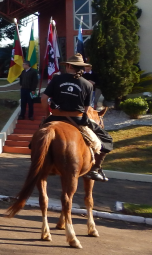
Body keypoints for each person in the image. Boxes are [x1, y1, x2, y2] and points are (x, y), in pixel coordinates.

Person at [41, 53, 112, 182]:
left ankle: (42, 162)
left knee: (39, 137)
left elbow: (44, 98)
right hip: (77, 119)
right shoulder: (88, 84)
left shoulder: (56, 79)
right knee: (107, 139)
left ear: (68, 66)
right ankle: (94, 169)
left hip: (55, 117)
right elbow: (86, 108)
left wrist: (47, 115)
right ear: (81, 68)